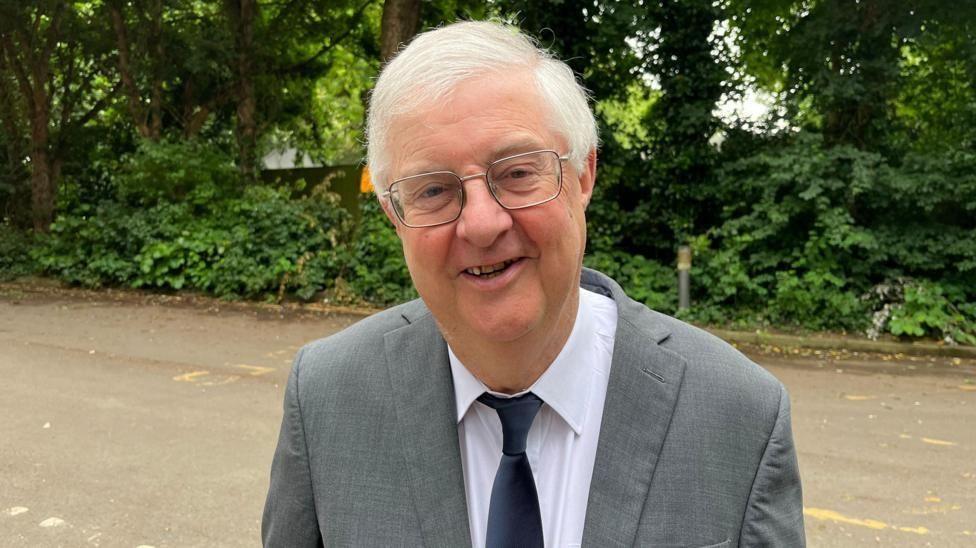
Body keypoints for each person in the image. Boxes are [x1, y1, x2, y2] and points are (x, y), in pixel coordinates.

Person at [262, 20, 804, 547]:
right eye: (433, 191)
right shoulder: (327, 399)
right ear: (394, 215)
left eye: (517, 172)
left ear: (583, 175)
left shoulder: (740, 415)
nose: (481, 223)